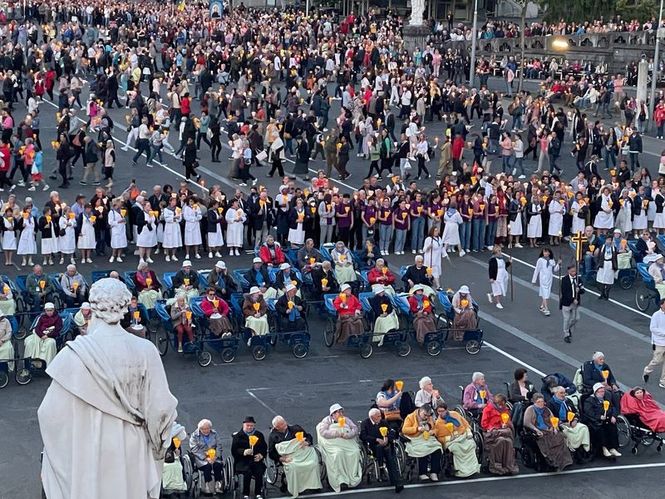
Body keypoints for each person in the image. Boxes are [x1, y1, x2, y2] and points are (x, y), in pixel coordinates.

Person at [38, 278, 178, 499]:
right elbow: (160, 410)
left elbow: (48, 415)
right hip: (130, 449)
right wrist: (158, 448)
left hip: (88, 452)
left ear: (93, 307)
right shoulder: (145, 351)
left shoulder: (73, 354)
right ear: (124, 308)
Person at [268, 415, 322, 498]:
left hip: (301, 452)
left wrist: (307, 442)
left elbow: (308, 436)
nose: (285, 425)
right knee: (294, 467)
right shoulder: (273, 436)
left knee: (313, 464)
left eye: (284, 422)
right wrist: (280, 458)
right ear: (276, 427)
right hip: (288, 456)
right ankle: (296, 487)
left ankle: (313, 485)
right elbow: (271, 452)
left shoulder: (295, 428)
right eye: (281, 425)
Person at [316, 403, 362, 493]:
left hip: (347, 443)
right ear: (333, 414)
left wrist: (348, 434)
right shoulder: (326, 421)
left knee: (356, 452)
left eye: (341, 412)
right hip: (334, 444)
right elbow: (323, 432)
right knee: (338, 454)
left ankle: (352, 477)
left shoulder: (346, 420)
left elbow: (355, 429)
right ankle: (340, 479)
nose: (341, 414)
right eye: (338, 412)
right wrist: (337, 433)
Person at [522, 393, 573, 471]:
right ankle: (551, 462)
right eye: (538, 402)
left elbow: (553, 420)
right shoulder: (530, 409)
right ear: (534, 402)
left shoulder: (547, 409)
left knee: (560, 437)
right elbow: (527, 422)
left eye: (542, 401)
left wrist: (555, 428)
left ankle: (564, 462)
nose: (541, 403)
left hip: (549, 429)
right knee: (545, 440)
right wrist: (536, 430)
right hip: (537, 430)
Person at [360, 408, 404, 493]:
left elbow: (391, 431)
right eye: (378, 416)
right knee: (384, 452)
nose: (381, 417)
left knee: (390, 457)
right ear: (372, 417)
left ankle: (396, 482)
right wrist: (376, 439)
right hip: (374, 446)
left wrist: (387, 438)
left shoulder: (383, 422)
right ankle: (385, 471)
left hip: (386, 445)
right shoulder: (365, 424)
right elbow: (363, 436)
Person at [433, 403, 481, 478]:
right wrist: (448, 438)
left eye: (442, 411)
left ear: (446, 410)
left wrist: (468, 431)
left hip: (462, 436)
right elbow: (439, 438)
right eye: (439, 411)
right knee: (457, 448)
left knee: (471, 444)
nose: (441, 413)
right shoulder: (438, 423)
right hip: (450, 441)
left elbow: (465, 424)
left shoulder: (455, 414)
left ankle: (473, 469)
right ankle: (462, 471)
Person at [401, 404, 443, 481]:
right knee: (423, 449)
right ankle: (422, 473)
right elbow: (404, 430)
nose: (426, 417)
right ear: (420, 411)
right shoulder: (410, 417)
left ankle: (434, 472)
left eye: (428, 415)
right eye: (425, 415)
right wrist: (416, 428)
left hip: (427, 437)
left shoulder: (429, 418)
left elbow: (435, 429)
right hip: (415, 438)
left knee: (438, 447)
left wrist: (432, 432)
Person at [480, 393, 519, 475]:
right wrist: (493, 428)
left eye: (503, 404)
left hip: (502, 430)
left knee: (508, 441)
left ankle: (508, 465)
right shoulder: (488, 409)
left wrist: (505, 424)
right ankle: (497, 466)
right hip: (492, 431)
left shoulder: (505, 410)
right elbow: (484, 424)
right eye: (500, 404)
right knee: (500, 441)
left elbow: (507, 420)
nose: (502, 406)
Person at [231, 416, 267, 499]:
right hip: (242, 460)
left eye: (251, 425)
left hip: (255, 459)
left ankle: (258, 492)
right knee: (247, 472)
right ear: (244, 425)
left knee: (259, 471)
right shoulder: (238, 436)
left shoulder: (259, 435)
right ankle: (245, 493)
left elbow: (264, 448)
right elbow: (234, 450)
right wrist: (243, 452)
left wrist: (261, 455)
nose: (250, 427)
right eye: (248, 425)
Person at [582, 383, 622, 458]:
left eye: (603, 391)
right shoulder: (589, 400)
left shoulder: (606, 399)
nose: (602, 393)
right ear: (595, 392)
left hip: (607, 418)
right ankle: (604, 448)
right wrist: (599, 417)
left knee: (612, 427)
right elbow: (589, 412)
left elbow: (612, 408)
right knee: (601, 429)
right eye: (600, 392)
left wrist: (613, 416)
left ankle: (613, 448)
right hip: (596, 420)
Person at [548, 386, 591, 454]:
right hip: (561, 424)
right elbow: (551, 417)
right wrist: (561, 423)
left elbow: (575, 412)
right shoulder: (551, 403)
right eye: (561, 393)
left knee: (584, 428)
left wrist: (575, 420)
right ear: (555, 393)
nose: (563, 395)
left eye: (564, 393)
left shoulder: (568, 401)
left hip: (571, 422)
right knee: (567, 432)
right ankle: (572, 448)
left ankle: (583, 448)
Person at [189, 419, 225, 494]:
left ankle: (217, 484)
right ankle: (207, 485)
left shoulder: (214, 434)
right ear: (200, 429)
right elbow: (194, 449)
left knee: (217, 465)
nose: (206, 430)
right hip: (201, 458)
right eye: (204, 429)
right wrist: (205, 457)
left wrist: (216, 456)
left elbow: (219, 446)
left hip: (214, 456)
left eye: (208, 428)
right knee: (207, 466)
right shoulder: (194, 436)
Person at [23, 302, 62, 366]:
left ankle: (47, 365)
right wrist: (41, 335)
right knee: (29, 342)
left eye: (51, 310)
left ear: (54, 310)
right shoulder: (42, 317)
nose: (49, 312)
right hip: (40, 334)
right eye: (47, 311)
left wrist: (48, 335)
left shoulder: (58, 318)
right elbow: (37, 328)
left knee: (50, 343)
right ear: (45, 311)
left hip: (50, 336)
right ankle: (32, 361)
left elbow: (57, 330)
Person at [531, 248, 560, 316]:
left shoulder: (552, 260)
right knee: (545, 293)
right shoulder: (540, 260)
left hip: (549, 278)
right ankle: (546, 308)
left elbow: (555, 270)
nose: (546, 253)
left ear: (549, 253)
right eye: (544, 252)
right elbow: (537, 270)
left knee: (547, 292)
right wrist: (534, 280)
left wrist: (558, 264)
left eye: (547, 252)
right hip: (543, 278)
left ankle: (542, 306)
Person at [643, 298, 665, 388]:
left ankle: (663, 381)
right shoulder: (656, 315)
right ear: (661, 305)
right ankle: (647, 370)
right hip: (659, 342)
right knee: (657, 360)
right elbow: (653, 328)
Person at [560, 264, 584, 343]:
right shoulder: (564, 280)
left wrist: (579, 290)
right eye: (572, 271)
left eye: (575, 271)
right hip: (567, 303)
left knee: (576, 318)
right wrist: (573, 299)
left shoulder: (578, 279)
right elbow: (564, 292)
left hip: (576, 304)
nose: (574, 273)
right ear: (568, 271)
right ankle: (566, 334)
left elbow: (583, 290)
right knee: (566, 318)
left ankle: (568, 328)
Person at [595, 235, 618, 300]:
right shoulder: (602, 247)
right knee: (601, 279)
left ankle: (607, 294)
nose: (608, 241)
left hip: (610, 264)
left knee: (609, 280)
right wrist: (598, 265)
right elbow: (599, 256)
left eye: (610, 240)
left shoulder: (614, 248)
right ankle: (602, 293)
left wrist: (615, 267)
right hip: (603, 264)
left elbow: (615, 258)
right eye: (607, 240)